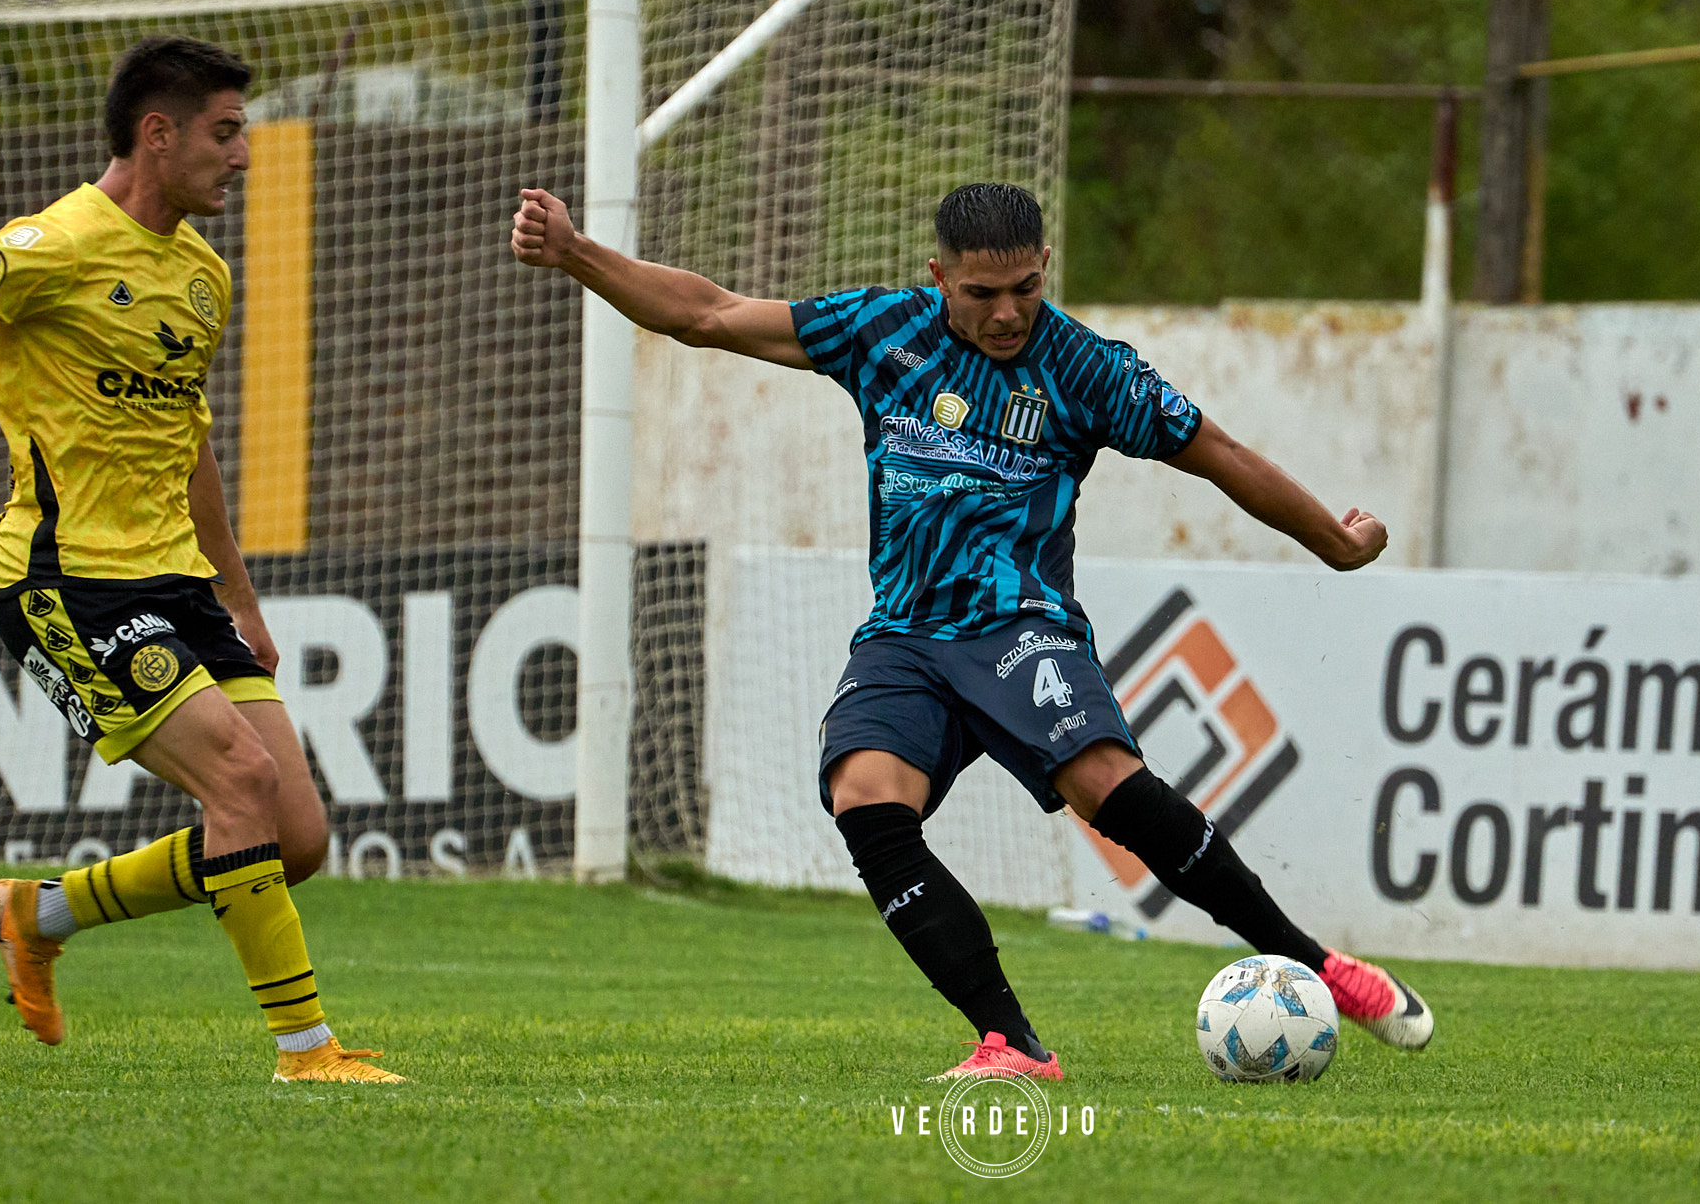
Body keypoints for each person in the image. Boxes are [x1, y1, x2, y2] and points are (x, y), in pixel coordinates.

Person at [510, 179, 1433, 1080]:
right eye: (982, 293)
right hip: (905, 636)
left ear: (1044, 268)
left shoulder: (1087, 368)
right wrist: (577, 252)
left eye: (1026, 289)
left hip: (1021, 626)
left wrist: (1337, 545)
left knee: (1103, 783)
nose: (1006, 314)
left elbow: (1220, 454)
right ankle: (1011, 1042)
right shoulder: (881, 331)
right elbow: (706, 314)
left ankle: (1318, 965)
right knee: (864, 796)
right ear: (938, 276)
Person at [0, 36, 402, 1084]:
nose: (242, 154)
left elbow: (188, 439)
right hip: (65, 582)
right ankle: (307, 1052)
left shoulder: (201, 276)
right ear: (155, 135)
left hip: (178, 580)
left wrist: (240, 595)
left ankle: (38, 911)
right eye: (225, 131)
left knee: (294, 836)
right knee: (241, 780)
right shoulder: (48, 246)